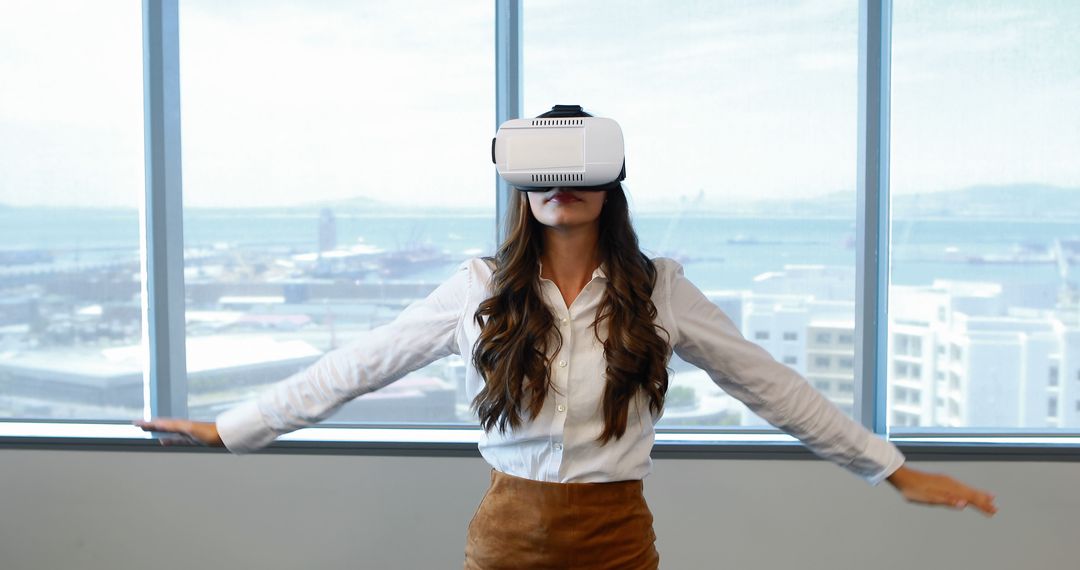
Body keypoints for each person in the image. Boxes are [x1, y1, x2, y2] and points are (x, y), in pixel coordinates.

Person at [135, 105, 998, 569]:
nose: (562, 186)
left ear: (611, 181)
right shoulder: (478, 289)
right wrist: (233, 425)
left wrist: (891, 468)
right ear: (521, 186)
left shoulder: (660, 289)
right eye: (543, 172)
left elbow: (769, 383)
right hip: (505, 541)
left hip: (618, 545)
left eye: (580, 168)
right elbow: (355, 366)